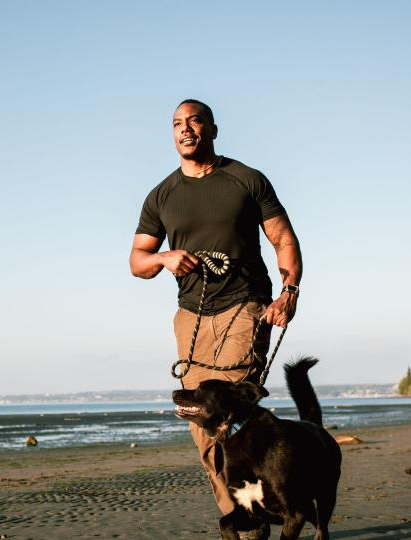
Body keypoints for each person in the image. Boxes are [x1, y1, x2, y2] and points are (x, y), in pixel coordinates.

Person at [129, 99, 302, 533]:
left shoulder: (245, 179)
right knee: (203, 428)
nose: (185, 129)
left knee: (233, 412)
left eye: (194, 121)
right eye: (176, 124)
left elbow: (282, 237)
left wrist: (289, 292)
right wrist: (165, 257)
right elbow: (137, 260)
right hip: (191, 316)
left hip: (244, 306)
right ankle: (246, 516)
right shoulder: (162, 195)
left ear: (213, 128)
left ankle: (265, 503)